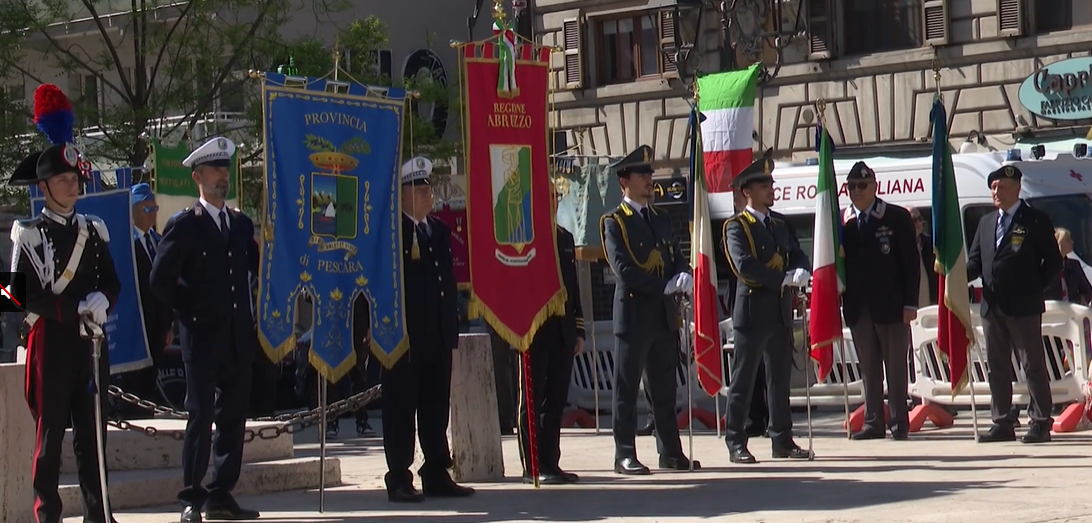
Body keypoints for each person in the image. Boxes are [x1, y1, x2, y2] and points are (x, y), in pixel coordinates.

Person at [11, 89, 121, 523]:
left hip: (89, 348)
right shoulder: (27, 233)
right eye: (62, 181)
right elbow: (12, 297)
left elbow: (112, 282)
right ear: (44, 187)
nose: (72, 186)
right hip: (50, 345)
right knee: (50, 438)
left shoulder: (94, 229)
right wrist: (74, 307)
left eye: (75, 179)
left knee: (93, 437)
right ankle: (47, 515)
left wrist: (104, 299)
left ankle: (100, 515)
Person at [150, 136, 262, 521]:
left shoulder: (240, 223)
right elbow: (160, 280)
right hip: (202, 337)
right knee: (200, 417)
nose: (222, 177)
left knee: (233, 417)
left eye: (225, 169)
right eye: (214, 170)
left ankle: (220, 494)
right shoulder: (185, 225)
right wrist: (188, 312)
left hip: (236, 336)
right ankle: (192, 498)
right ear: (197, 176)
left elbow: (257, 266)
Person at [600, 144, 698, 475]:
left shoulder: (660, 218)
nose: (648, 180)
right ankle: (624, 452)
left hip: (662, 316)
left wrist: (682, 274)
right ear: (623, 181)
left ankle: (670, 450)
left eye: (649, 174)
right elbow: (624, 270)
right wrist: (663, 286)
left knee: (664, 389)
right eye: (641, 175)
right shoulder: (615, 223)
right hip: (634, 314)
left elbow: (674, 256)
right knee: (627, 389)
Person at [383, 156, 474, 502]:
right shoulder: (392, 232)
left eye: (427, 188)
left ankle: (437, 471)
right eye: (418, 189)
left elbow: (444, 280)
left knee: (436, 407)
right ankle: (399, 477)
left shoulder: (436, 229)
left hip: (436, 330)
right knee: (401, 408)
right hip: (404, 335)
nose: (426, 194)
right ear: (402, 194)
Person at [721, 156, 812, 464]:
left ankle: (782, 439)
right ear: (747, 192)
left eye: (771, 184)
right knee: (743, 380)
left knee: (780, 379)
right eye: (764, 185)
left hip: (779, 311)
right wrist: (783, 278)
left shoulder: (778, 223)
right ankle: (736, 440)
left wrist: (801, 271)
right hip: (753, 311)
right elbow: (744, 266)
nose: (771, 189)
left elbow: (798, 254)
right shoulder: (736, 227)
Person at [966, 165, 1061, 444]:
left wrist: (1034, 288)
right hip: (992, 305)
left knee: (1031, 363)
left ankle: (1041, 421)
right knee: (997, 365)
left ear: (1017, 187)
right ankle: (1002, 420)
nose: (997, 192)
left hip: (1024, 306)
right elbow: (976, 262)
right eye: (993, 187)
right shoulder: (985, 223)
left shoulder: (1034, 220)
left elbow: (1053, 263)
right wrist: (954, 275)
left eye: (1002, 186)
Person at [840, 161, 920, 441]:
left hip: (892, 307)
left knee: (896, 368)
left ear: (875, 187)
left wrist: (911, 303)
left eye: (862, 185)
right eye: (851, 186)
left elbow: (911, 263)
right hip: (860, 308)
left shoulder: (896, 217)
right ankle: (873, 421)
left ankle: (899, 422)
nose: (857, 190)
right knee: (869, 369)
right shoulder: (844, 223)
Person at [518, 194, 585, 485]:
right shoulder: (525, 237)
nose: (553, 201)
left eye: (556, 196)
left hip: (562, 330)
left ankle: (551, 461)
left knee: (556, 400)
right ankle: (532, 465)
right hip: (534, 329)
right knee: (532, 400)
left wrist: (578, 329)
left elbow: (573, 287)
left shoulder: (565, 238)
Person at [120, 183, 174, 418]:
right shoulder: (126, 243)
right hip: (135, 325)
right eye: (147, 209)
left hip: (157, 324)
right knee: (134, 383)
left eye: (155, 208)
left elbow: (167, 283)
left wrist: (169, 322)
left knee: (150, 379)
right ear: (133, 211)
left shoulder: (158, 241)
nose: (153, 214)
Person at [1046, 228, 1092, 305]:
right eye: (1067, 240)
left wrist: (1079, 301)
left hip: (1071, 313)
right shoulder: (1046, 267)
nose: (1072, 242)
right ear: (1059, 243)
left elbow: (1088, 291)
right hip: (1052, 312)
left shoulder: (1074, 265)